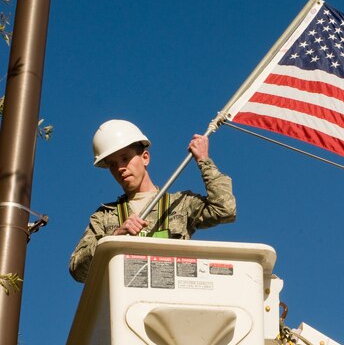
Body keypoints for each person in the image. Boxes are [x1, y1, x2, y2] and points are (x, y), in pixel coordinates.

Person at [69, 119, 236, 282]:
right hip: (127, 305)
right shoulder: (104, 217)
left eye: (125, 158)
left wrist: (203, 161)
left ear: (145, 158)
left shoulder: (180, 204)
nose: (120, 167)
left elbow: (224, 210)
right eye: (112, 164)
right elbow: (78, 270)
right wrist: (113, 238)